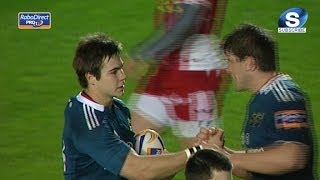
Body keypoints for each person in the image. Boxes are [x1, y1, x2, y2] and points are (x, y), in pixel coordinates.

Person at [61, 32, 208, 180]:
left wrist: (190, 150)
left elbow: (155, 173)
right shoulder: (85, 119)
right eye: (114, 72)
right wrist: (197, 152)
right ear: (91, 78)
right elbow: (138, 170)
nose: (123, 76)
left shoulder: (118, 108)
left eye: (121, 68)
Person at [197, 23, 315, 179]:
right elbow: (252, 171)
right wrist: (216, 151)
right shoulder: (260, 99)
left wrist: (225, 157)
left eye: (230, 61)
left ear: (249, 63)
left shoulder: (284, 96)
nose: (228, 69)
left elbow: (293, 157)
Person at [128, 0, 229, 148]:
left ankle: (263, 166)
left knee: (205, 161)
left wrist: (145, 55)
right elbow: (172, 20)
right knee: (129, 145)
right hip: (165, 71)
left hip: (194, 76)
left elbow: (187, 23)